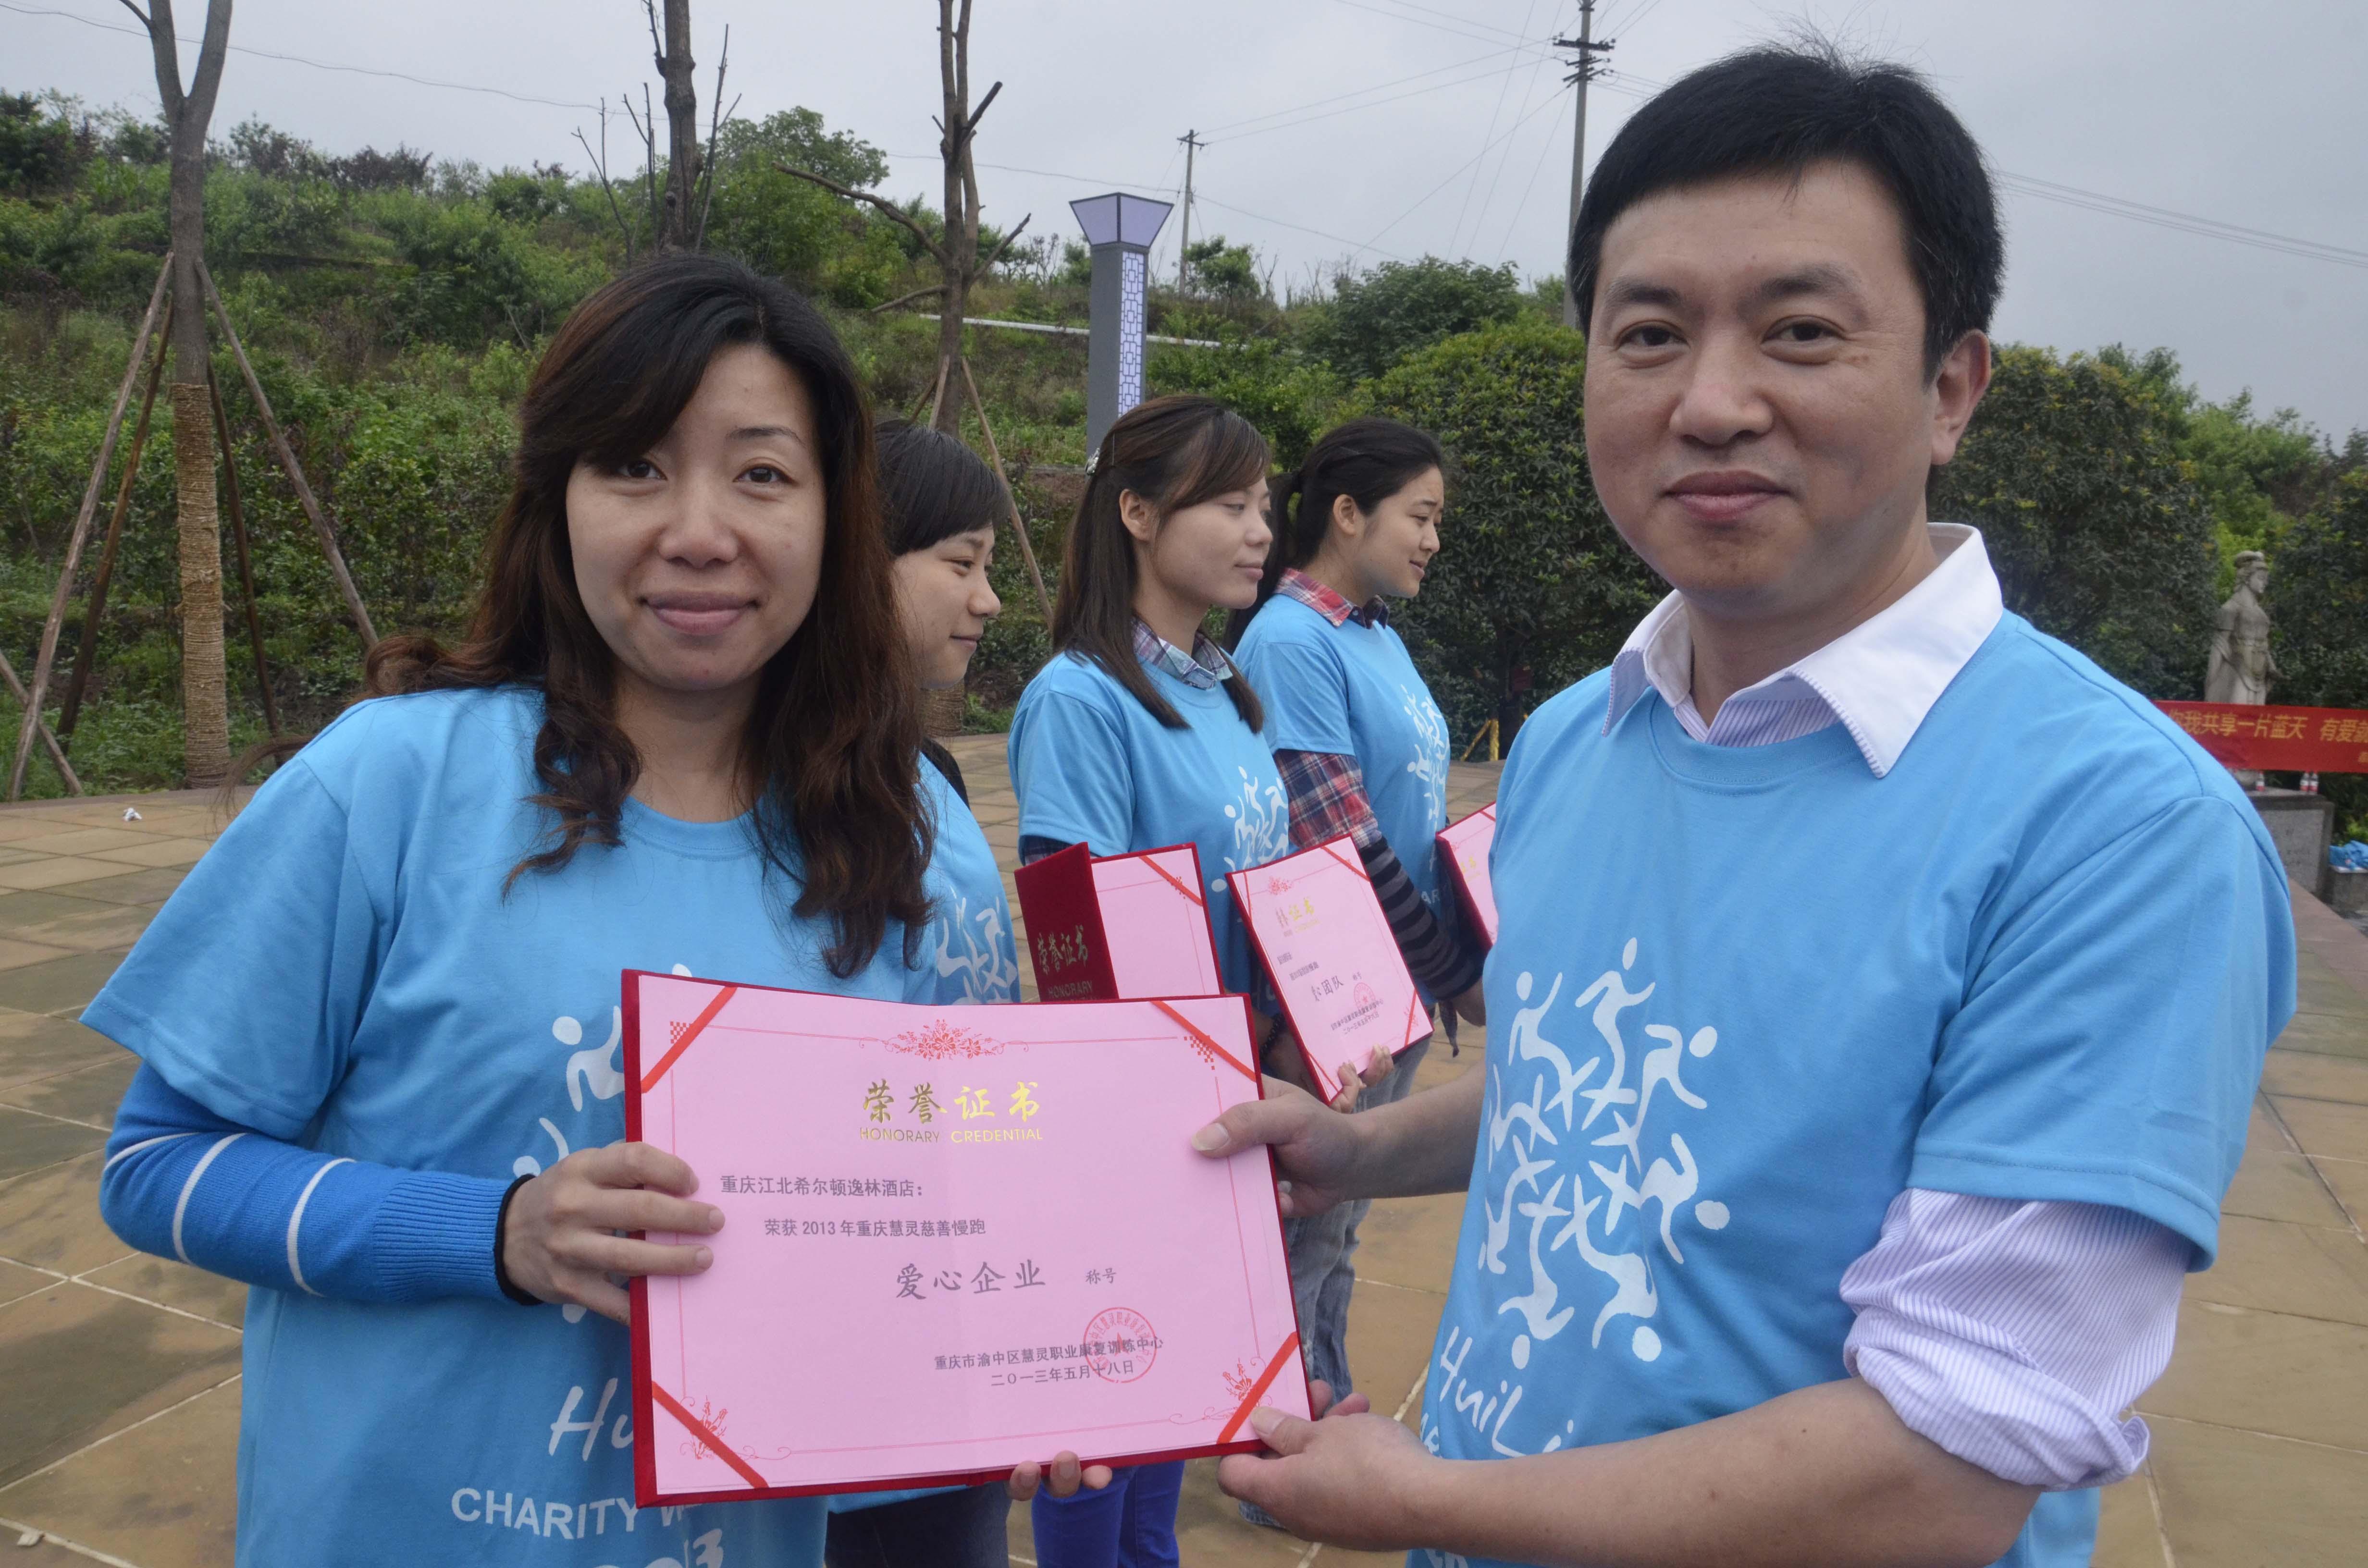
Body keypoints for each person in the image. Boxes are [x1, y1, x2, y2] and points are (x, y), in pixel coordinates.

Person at [1191, 43, 2293, 1568]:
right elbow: (1597, 1089)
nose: (1710, 403)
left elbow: (1952, 1460)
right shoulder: (1579, 742)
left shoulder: (2118, 831)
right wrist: (1359, 1150)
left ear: (1952, 387)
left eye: (1801, 332)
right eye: (1649, 334)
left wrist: (1427, 1502)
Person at [83, 255, 1068, 1568]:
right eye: (634, 467)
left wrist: (1026, 1365)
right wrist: (495, 1233)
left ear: (837, 517)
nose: (699, 530)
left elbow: (945, 1211)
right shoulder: (389, 783)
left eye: (762, 474)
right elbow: (157, 1167)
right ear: (558, 500)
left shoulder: (904, 834)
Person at [1006, 394, 1388, 1567]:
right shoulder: (1080, 698)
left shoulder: (1226, 691)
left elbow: (1274, 897)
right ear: (1136, 513)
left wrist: (1311, 1027)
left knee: (1177, 1398)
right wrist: (1221, 1063)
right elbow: (1078, 940)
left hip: (1237, 1097)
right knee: (1107, 1408)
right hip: (1143, 1114)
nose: (1260, 529)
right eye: (1228, 504)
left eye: (1263, 504)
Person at [1224, 417, 1484, 1520]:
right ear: (1347, 513)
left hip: (1396, 988)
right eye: (1420, 516)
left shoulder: (1372, 634)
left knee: (1342, 1223)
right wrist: (1457, 970)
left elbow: (1419, 821)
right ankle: (1281, 1460)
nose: (1432, 540)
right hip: (1336, 995)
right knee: (1306, 1225)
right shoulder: (1292, 640)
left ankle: (1324, 1417)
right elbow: (1345, 840)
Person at [824, 418, 1020, 1568]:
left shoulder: (928, 770)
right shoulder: (780, 798)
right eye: (961, 563)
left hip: (965, 1278)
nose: (988, 600)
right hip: (858, 1319)